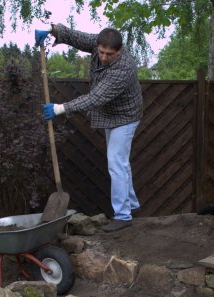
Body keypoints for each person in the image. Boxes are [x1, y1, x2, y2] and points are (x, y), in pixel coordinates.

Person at [35, 24, 143, 233]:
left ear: (119, 51)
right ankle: (130, 204)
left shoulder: (123, 69)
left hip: (126, 117)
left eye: (108, 54)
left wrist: (59, 108)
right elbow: (77, 36)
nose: (103, 57)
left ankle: (123, 215)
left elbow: (95, 98)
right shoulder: (98, 44)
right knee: (120, 162)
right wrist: (51, 29)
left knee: (116, 163)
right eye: (101, 52)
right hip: (112, 114)